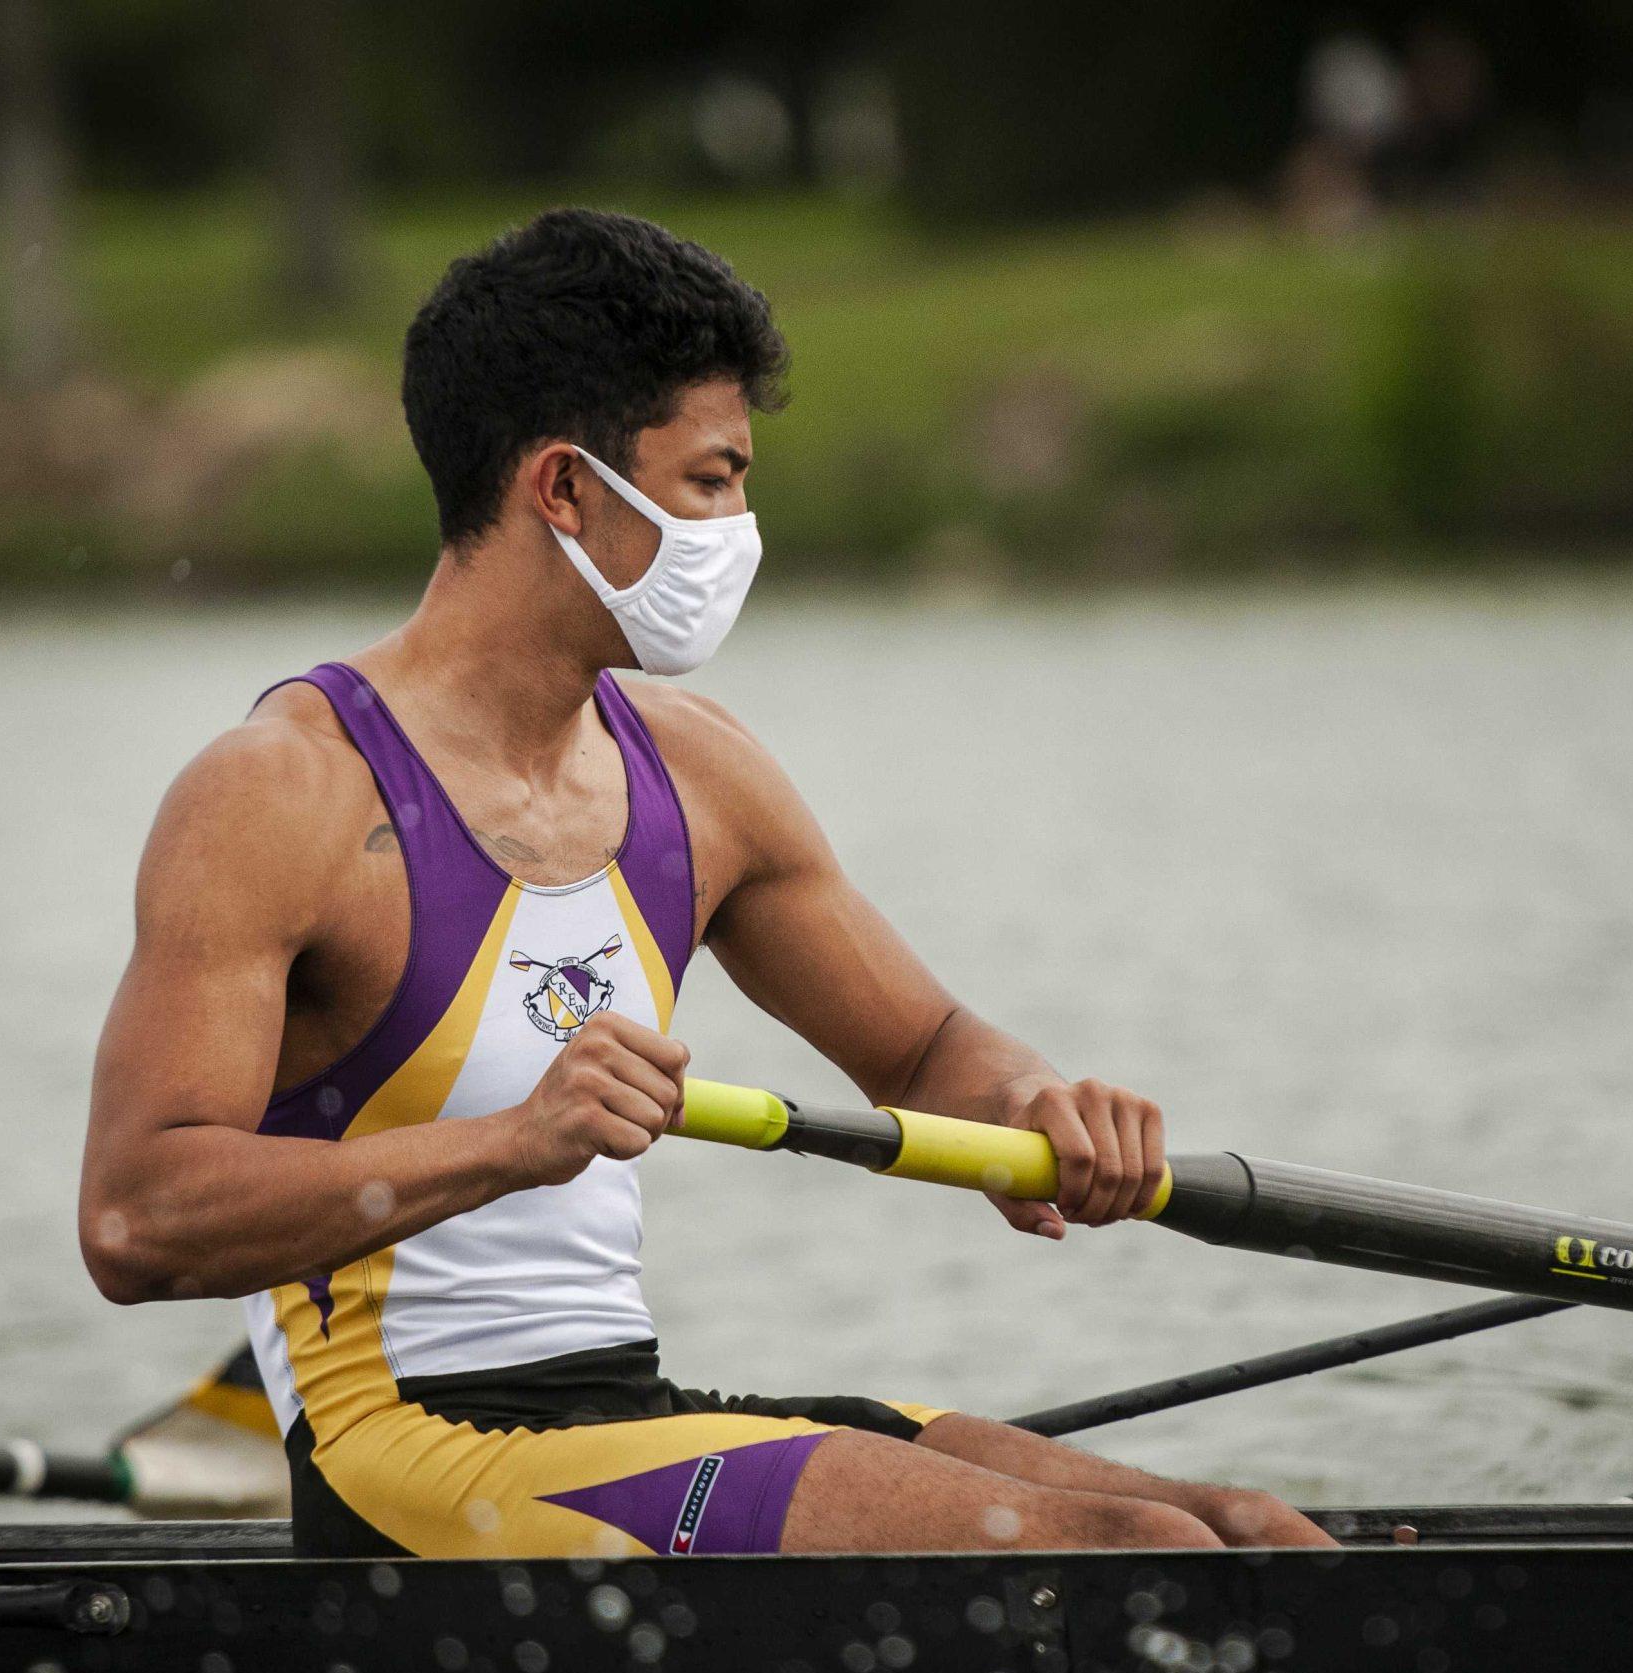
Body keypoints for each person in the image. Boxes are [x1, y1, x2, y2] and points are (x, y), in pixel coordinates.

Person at [79, 208, 1332, 1559]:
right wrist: (513, 1141)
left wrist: (1038, 1103)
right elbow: (136, 1216)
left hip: (620, 1411)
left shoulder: (699, 773)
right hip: (405, 1454)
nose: (740, 529)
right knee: (1134, 1557)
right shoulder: (283, 794)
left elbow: (922, 1044)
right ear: (563, 490)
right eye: (712, 481)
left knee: (1248, 1534)